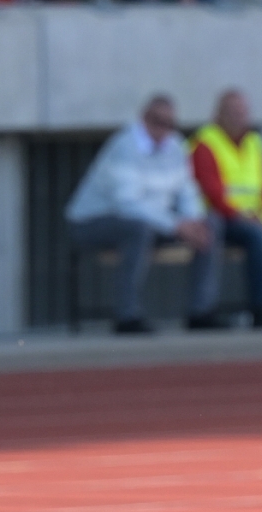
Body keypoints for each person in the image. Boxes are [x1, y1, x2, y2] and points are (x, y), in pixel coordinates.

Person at [64, 94, 214, 335]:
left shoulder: (176, 146)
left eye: (169, 123)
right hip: (92, 222)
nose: (163, 128)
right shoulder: (124, 146)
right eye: (157, 121)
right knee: (137, 229)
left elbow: (186, 190)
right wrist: (176, 225)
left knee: (211, 225)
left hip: (157, 222)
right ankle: (127, 315)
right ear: (144, 118)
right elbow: (127, 205)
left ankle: (200, 311)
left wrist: (193, 221)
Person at [188, 89, 262, 329]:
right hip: (221, 217)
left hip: (255, 217)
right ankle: (261, 309)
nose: (239, 117)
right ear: (218, 115)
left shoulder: (254, 142)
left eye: (243, 112)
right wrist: (257, 222)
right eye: (233, 112)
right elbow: (213, 194)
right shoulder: (205, 143)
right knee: (258, 237)